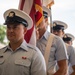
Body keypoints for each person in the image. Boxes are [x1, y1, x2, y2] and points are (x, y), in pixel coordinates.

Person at [0, 8, 46, 75]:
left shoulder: (34, 54)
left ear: (24, 30)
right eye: (8, 27)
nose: (11, 30)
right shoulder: (1, 53)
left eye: (15, 27)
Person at [36, 6, 68, 75]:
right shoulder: (27, 40)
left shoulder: (56, 41)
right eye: (34, 18)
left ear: (46, 20)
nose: (36, 20)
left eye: (39, 18)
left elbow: (63, 69)